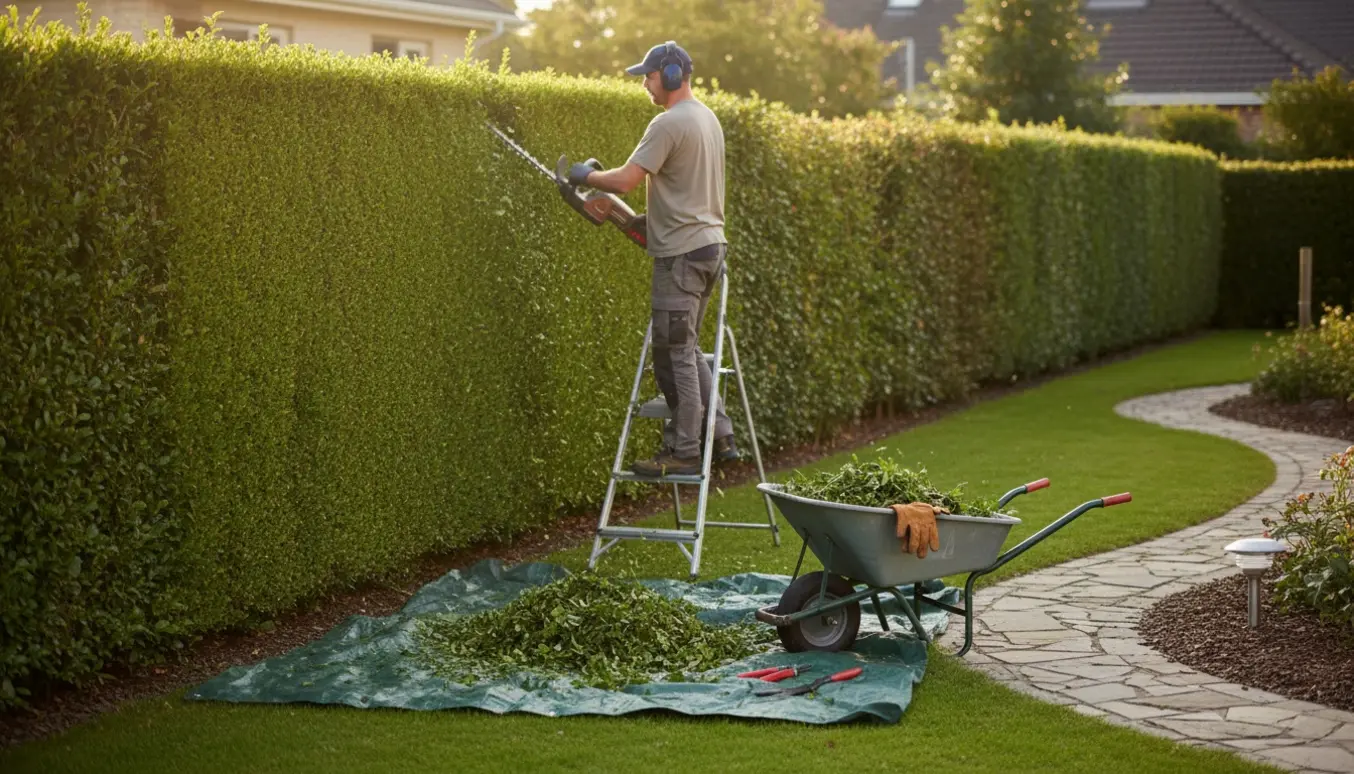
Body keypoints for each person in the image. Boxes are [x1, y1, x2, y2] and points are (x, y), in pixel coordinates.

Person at [567, 40, 737, 477]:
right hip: (708, 248)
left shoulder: (668, 122)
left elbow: (624, 180)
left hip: (680, 257)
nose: (645, 82)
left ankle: (682, 453)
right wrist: (643, 221)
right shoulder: (707, 118)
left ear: (673, 75)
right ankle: (719, 432)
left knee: (674, 354)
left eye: (649, 75)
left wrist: (587, 175)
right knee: (687, 348)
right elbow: (685, 191)